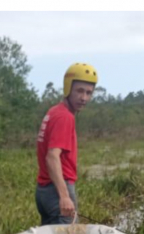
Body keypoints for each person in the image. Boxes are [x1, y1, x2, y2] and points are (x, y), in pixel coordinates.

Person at [36, 63, 97, 225]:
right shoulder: (65, 117)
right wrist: (64, 196)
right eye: (79, 91)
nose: (84, 98)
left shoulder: (54, 111)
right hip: (56, 191)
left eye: (88, 93)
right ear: (68, 88)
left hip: (44, 191)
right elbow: (52, 157)